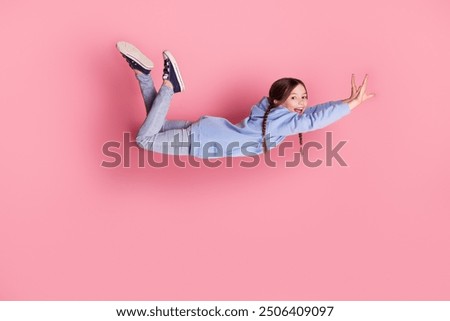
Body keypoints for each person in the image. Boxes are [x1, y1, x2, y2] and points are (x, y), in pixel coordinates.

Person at [116, 41, 375, 159]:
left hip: (204, 132)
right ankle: (171, 83)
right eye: (293, 96)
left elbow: (312, 113)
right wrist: (350, 105)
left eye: (303, 97)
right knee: (144, 139)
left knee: (155, 124)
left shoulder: (271, 118)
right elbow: (313, 120)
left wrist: (343, 101)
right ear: (277, 100)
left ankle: (142, 74)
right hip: (201, 140)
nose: (301, 101)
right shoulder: (279, 123)